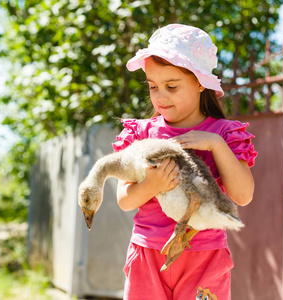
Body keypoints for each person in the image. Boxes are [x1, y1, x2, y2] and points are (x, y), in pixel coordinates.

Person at [112, 24, 257, 300]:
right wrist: (152, 184)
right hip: (148, 256)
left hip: (204, 258)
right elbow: (124, 200)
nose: (160, 96)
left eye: (171, 86)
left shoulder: (225, 134)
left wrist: (215, 145)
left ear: (201, 81)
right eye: (153, 86)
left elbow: (243, 195)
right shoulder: (141, 133)